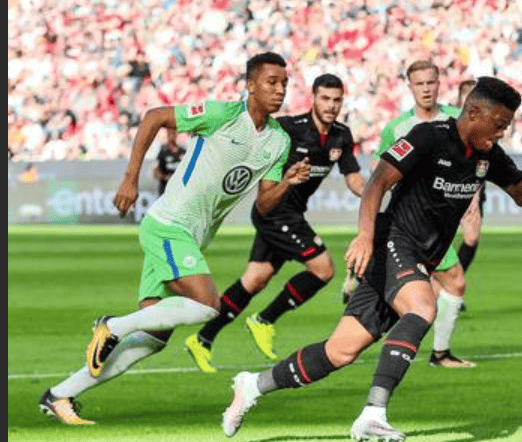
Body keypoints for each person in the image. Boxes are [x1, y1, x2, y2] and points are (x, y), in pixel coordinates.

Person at [220, 77, 522, 440]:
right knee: (423, 307)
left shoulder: (488, 156)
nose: (503, 132)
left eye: (507, 125)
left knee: (339, 352)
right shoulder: (429, 137)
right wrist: (365, 235)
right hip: (393, 242)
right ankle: (373, 414)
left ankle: (252, 385)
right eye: (499, 123)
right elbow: (378, 181)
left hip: (415, 259)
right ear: (474, 112)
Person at [38, 52, 311, 425]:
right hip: (169, 225)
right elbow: (155, 116)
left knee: (151, 339)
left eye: (284, 84)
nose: (280, 90)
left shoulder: (278, 141)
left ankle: (59, 395)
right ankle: (112, 325)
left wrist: (288, 183)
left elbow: (264, 203)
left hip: (191, 238)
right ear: (250, 85)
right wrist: (130, 178)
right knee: (208, 305)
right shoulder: (221, 114)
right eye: (271, 82)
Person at [184, 74, 366, 372]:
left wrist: (373, 192)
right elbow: (253, 140)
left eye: (337, 100)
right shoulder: (290, 128)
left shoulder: (341, 136)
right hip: (275, 212)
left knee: (254, 280)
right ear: (313, 98)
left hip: (292, 214)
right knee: (323, 269)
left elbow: (353, 177)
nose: (331, 105)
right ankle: (264, 319)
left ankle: (202, 339)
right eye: (325, 99)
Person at [343, 61, 478, 368]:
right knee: (450, 284)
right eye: (420, 83)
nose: (426, 89)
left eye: (431, 82)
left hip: (442, 220)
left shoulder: (456, 118)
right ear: (410, 87)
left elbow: (474, 160)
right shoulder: (396, 128)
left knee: (438, 288)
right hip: (411, 221)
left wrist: (473, 198)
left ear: (439, 83)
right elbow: (379, 173)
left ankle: (362, 280)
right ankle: (436, 353)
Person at [152, 128, 186, 195]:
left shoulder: (183, 150)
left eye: (174, 133)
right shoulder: (162, 151)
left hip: (179, 189)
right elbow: (156, 173)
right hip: (165, 189)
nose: (172, 135)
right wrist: (166, 177)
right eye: (170, 133)